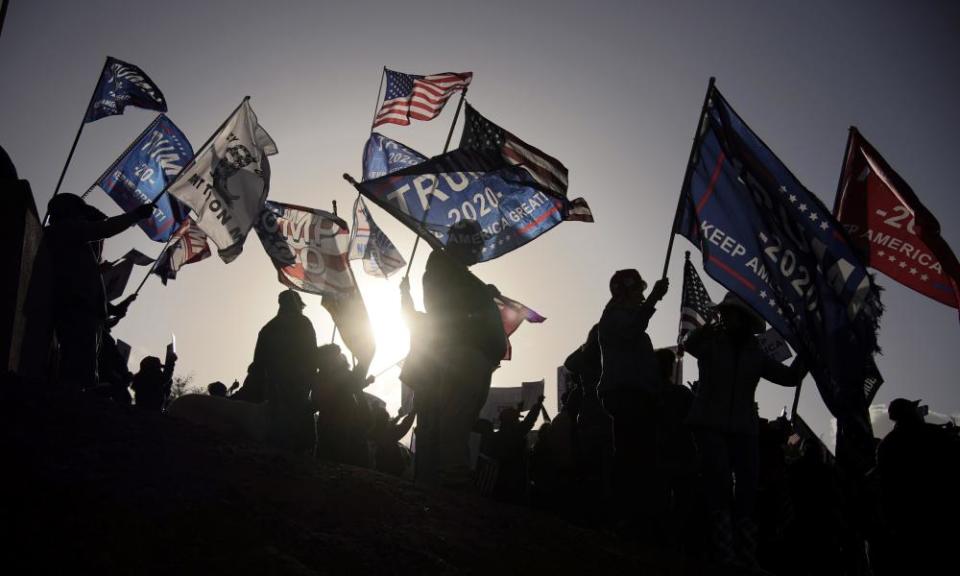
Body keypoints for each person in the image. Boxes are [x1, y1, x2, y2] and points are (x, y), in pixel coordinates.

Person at [683, 292, 805, 570]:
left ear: (746, 319)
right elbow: (689, 344)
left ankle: (746, 556)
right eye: (724, 312)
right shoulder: (710, 342)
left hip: (744, 428)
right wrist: (705, 328)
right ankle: (725, 554)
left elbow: (789, 377)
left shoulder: (756, 354)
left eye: (730, 312)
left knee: (748, 488)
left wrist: (806, 357)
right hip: (709, 423)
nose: (725, 316)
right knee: (720, 483)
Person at [399, 220, 506, 488]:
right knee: (452, 421)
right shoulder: (443, 269)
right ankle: (450, 477)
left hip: (471, 357)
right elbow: (443, 309)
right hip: (461, 358)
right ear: (466, 243)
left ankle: (441, 475)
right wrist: (481, 294)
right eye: (477, 242)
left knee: (455, 419)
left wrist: (482, 293)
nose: (481, 248)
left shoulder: (456, 273)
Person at [43, 193, 152, 393]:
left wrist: (117, 307)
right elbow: (104, 228)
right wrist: (135, 215)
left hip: (82, 310)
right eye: (80, 213)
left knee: (83, 368)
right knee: (79, 370)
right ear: (69, 211)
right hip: (76, 309)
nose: (82, 219)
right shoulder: (65, 230)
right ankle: (71, 407)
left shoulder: (71, 240)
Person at [596, 268, 669, 531]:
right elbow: (630, 332)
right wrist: (654, 301)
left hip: (638, 395)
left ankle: (638, 514)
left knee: (641, 455)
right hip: (624, 394)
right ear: (626, 291)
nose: (642, 295)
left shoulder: (631, 321)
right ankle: (623, 514)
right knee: (630, 455)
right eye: (638, 290)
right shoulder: (614, 318)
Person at [873, 398, 960, 573]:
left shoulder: (885, 446)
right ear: (909, 412)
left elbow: (884, 491)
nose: (920, 413)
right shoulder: (934, 434)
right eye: (916, 410)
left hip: (906, 529)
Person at [254, 290, 318, 452]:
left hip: (275, 390)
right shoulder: (303, 323)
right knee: (299, 439)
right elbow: (312, 356)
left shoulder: (268, 328)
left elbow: (257, 365)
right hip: (295, 388)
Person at [488, 396, 545, 503]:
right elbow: (529, 421)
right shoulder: (517, 434)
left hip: (498, 482)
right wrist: (538, 405)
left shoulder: (496, 437)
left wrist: (517, 411)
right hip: (515, 481)